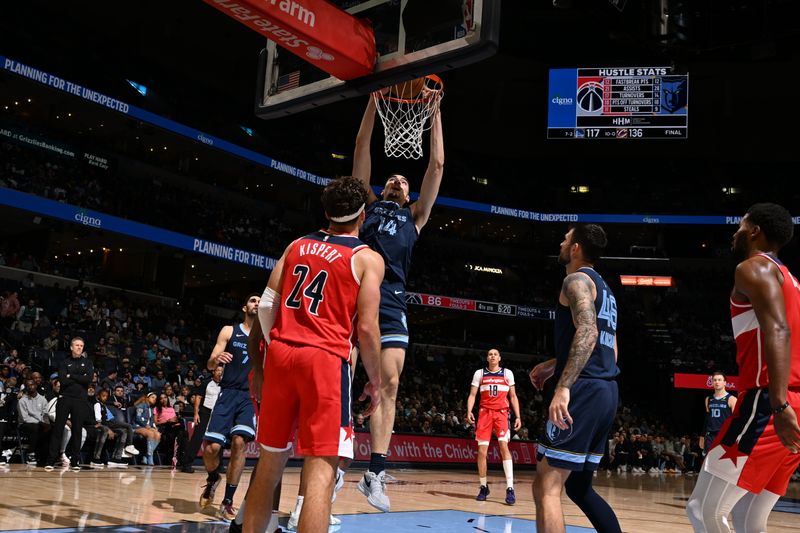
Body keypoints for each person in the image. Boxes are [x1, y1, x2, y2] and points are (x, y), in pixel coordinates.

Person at [243, 176, 384, 533]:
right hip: (323, 361)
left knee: (268, 467)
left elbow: (268, 305)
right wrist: (377, 382)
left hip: (281, 353)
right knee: (320, 474)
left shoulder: (297, 245)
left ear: (326, 212)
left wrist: (266, 360)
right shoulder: (366, 258)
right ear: (363, 215)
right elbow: (366, 329)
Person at [352, 92, 444, 513]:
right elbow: (360, 148)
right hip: (354, 297)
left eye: (404, 181)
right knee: (340, 377)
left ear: (409, 196)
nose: (398, 180)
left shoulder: (415, 218)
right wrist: (373, 101)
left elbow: (437, 166)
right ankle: (332, 460)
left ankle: (374, 473)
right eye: (392, 178)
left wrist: (435, 113)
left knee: (389, 386)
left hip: (391, 303)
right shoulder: (366, 207)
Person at [686, 203, 800, 533]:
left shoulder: (753, 267)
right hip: (787, 403)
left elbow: (778, 330)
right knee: (748, 518)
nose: (735, 232)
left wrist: (778, 404)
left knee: (707, 511)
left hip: (768, 405)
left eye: (740, 225)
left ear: (754, 231)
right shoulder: (792, 281)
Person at [529, 224, 622, 533]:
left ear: (576, 248)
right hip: (606, 389)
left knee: (548, 485)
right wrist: (556, 365)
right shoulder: (605, 289)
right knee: (578, 487)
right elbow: (608, 347)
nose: (561, 242)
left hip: (583, 391)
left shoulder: (576, 280)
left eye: (566, 239)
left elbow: (587, 331)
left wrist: (564, 386)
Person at [199, 294, 260, 521]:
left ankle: (227, 501)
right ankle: (214, 477)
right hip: (227, 393)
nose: (257, 303)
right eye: (253, 300)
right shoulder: (229, 331)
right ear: (245, 307)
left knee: (239, 442)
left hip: (249, 397)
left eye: (260, 300)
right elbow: (210, 362)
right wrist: (217, 360)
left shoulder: (265, 335)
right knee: (211, 449)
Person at [466, 348, 521, 504]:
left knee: (504, 447)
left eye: (495, 354)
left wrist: (518, 416)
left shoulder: (507, 373)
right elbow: (472, 395)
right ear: (487, 358)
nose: (492, 356)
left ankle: (510, 488)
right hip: (484, 414)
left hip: (502, 414)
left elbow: (513, 396)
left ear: (499, 358)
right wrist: (469, 411)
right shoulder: (480, 373)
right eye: (490, 354)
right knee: (482, 452)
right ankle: (483, 487)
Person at [46, 337, 95, 470]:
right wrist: (78, 377)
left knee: (77, 430)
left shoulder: (88, 362)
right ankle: (51, 460)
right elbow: (62, 380)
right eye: (77, 345)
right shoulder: (64, 362)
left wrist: (71, 376)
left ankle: (75, 461)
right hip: (65, 398)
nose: (79, 347)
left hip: (80, 400)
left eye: (81, 345)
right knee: (58, 428)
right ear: (71, 347)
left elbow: (88, 379)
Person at [181, 365, 223, 473]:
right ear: (213, 371)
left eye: (221, 371)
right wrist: (196, 413)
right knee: (197, 438)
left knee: (218, 439)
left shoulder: (225, 384)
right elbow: (198, 398)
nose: (219, 372)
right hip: (205, 412)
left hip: (218, 414)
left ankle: (219, 465)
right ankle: (186, 464)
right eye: (218, 370)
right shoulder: (206, 382)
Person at [703, 371, 737, 456]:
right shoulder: (708, 399)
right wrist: (702, 436)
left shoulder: (731, 399)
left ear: (725, 382)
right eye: (715, 380)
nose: (717, 382)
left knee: (722, 464)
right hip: (710, 436)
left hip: (724, 435)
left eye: (719, 380)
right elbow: (707, 419)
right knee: (708, 462)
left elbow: (736, 421)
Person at [17, 378, 49, 465]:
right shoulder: (22, 401)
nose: (30, 387)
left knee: (50, 429)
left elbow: (45, 414)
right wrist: (39, 422)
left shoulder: (43, 399)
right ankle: (30, 453)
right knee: (35, 428)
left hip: (40, 423)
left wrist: (44, 423)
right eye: (28, 386)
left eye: (32, 385)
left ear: (36, 386)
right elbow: (24, 418)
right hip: (24, 424)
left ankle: (45, 455)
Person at [132, 392, 161, 464]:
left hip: (147, 427)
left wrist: (154, 427)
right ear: (147, 398)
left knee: (158, 435)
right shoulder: (141, 406)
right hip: (137, 426)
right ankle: (150, 456)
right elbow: (138, 418)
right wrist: (145, 426)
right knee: (151, 434)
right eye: (152, 397)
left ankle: (146, 455)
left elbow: (152, 421)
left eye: (155, 398)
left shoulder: (150, 408)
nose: (154, 399)